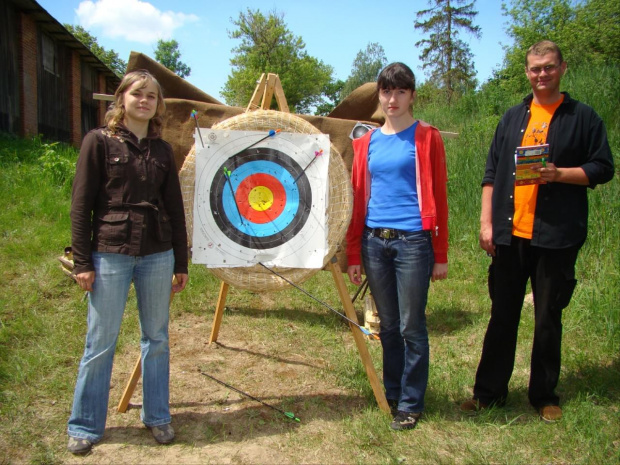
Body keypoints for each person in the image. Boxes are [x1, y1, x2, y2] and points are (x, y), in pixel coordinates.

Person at [460, 41, 614, 423]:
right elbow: (491, 174)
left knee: (547, 318)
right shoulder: (513, 117)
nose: (541, 74)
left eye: (548, 67)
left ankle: (544, 395)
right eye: (534, 68)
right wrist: (486, 224)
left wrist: (560, 175)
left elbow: (603, 168)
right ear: (526, 72)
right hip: (510, 237)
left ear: (562, 68)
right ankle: (488, 393)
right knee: (502, 315)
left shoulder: (583, 117)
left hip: (557, 236)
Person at [67, 70, 189, 454]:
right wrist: (82, 261)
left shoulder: (163, 151)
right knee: (100, 342)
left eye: (152, 96)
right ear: (121, 98)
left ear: (157, 106)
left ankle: (157, 416)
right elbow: (81, 205)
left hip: (157, 253)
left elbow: (175, 209)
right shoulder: (98, 142)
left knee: (157, 338)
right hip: (109, 252)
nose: (144, 100)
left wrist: (180, 262)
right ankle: (85, 425)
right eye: (138, 93)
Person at [346, 62, 449, 431]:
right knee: (387, 325)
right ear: (379, 96)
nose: (392, 99)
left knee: (411, 325)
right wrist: (354, 253)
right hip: (375, 242)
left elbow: (439, 195)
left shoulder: (427, 136)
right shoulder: (365, 143)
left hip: (413, 244)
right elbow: (358, 200)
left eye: (400, 92)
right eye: (387, 92)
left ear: (412, 95)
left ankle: (411, 402)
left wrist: (441, 253)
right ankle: (392, 392)